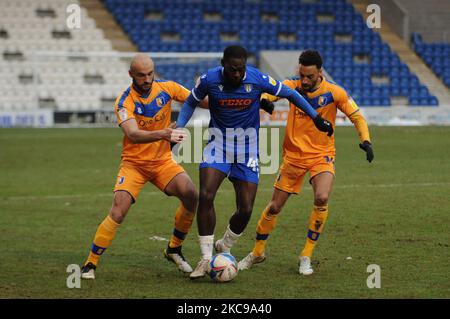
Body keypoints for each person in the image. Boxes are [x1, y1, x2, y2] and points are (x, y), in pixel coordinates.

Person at [175, 45, 334, 279]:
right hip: (218, 145)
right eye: (232, 70)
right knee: (206, 195)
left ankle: (225, 245)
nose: (237, 75)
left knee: (246, 209)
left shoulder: (257, 78)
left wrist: (316, 117)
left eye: (240, 70)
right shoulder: (209, 79)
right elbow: (190, 102)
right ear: (223, 64)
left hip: (248, 148)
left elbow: (291, 93)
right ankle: (206, 258)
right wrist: (179, 127)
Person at [238, 49, 374, 275]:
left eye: (310, 76)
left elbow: (356, 116)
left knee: (321, 198)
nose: (305, 80)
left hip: (322, 155)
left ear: (320, 72)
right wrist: (264, 101)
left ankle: (306, 255)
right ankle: (257, 252)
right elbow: (268, 93)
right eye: (302, 75)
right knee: (274, 207)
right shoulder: (292, 86)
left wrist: (366, 140)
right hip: (293, 157)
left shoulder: (334, 92)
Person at [80, 53, 206, 279]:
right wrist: (164, 133)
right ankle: (90, 263)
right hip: (134, 164)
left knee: (190, 194)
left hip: (161, 162)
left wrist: (221, 94)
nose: (147, 79)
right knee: (118, 210)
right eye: (141, 75)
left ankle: (174, 249)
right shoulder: (124, 101)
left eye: (150, 73)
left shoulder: (167, 88)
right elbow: (133, 134)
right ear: (131, 75)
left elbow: (199, 101)